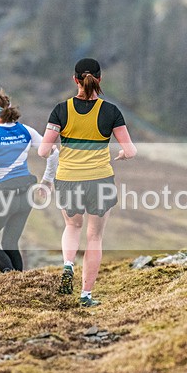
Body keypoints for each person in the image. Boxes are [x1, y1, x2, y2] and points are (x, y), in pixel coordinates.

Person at [38, 58, 137, 307]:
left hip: (68, 179)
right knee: (94, 237)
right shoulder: (111, 111)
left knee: (72, 226)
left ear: (75, 80)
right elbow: (131, 151)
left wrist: (56, 150)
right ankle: (86, 295)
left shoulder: (61, 110)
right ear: (100, 79)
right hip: (100, 179)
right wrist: (122, 154)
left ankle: (68, 264)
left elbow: (43, 151)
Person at [0, 88, 59, 273]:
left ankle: (11, 276)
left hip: (2, 196)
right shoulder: (26, 130)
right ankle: (19, 281)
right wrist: (47, 180)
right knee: (10, 242)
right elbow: (53, 152)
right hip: (26, 195)